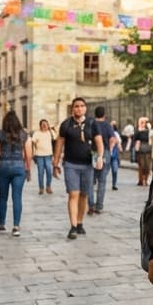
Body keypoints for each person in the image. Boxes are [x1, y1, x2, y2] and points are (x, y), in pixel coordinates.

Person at [53, 98, 104, 240]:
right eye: (76, 106)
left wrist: (100, 157)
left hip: (88, 165)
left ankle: (80, 222)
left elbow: (99, 142)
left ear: (85, 108)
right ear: (72, 109)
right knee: (73, 194)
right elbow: (59, 144)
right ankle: (73, 226)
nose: (79, 109)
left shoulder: (92, 124)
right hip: (70, 164)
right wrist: (55, 163)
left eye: (82, 106)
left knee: (84, 195)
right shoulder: (66, 125)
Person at [0, 111, 32, 237]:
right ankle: (16, 226)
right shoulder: (24, 135)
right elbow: (28, 153)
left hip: (3, 167)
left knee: (3, 197)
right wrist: (28, 168)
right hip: (18, 168)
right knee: (17, 197)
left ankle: (2, 223)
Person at [89, 106, 115, 215]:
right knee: (102, 181)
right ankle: (99, 206)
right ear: (104, 114)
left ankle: (91, 204)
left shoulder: (91, 124)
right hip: (104, 153)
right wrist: (110, 149)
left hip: (92, 153)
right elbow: (113, 139)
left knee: (90, 180)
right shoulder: (107, 125)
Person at [32, 119, 55, 194]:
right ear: (40, 125)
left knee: (49, 171)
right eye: (43, 124)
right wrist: (33, 153)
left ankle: (48, 186)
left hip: (48, 155)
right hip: (39, 156)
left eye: (46, 124)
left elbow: (55, 138)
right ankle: (41, 188)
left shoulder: (50, 133)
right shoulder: (37, 133)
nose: (44, 125)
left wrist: (51, 129)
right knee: (40, 172)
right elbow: (33, 143)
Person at [134, 117, 152, 186]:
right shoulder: (138, 132)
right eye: (142, 122)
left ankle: (146, 180)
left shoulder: (149, 131)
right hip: (140, 151)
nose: (143, 124)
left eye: (145, 122)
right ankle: (141, 180)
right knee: (141, 166)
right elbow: (135, 139)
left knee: (147, 166)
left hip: (148, 150)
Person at [108, 119, 121, 190]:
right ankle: (99, 181)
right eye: (112, 125)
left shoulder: (116, 134)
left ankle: (114, 184)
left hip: (114, 155)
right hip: (106, 154)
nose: (113, 126)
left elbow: (119, 142)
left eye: (114, 125)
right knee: (103, 171)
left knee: (115, 170)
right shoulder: (106, 133)